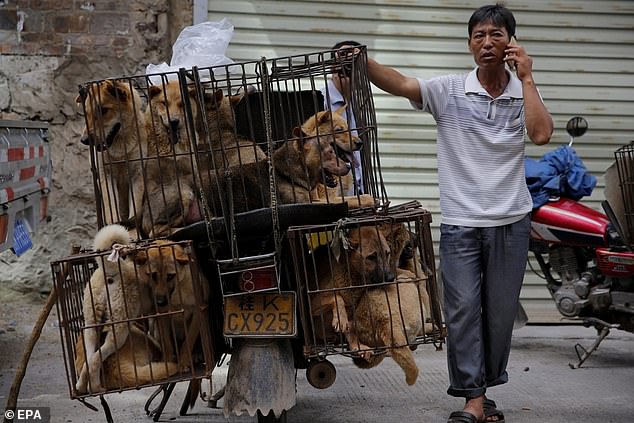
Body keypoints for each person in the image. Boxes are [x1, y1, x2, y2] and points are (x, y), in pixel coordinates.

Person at [362, 3, 553, 423]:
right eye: (479, 35)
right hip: (462, 223)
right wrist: (364, 60)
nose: (487, 42)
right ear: (469, 44)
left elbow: (541, 134)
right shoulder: (449, 90)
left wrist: (527, 77)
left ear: (511, 43)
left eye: (496, 35)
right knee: (463, 308)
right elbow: (401, 83)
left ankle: (482, 393)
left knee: (500, 313)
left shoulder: (524, 92)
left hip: (511, 222)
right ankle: (472, 399)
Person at [321, 40, 364, 195]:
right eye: (343, 58)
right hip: (334, 193)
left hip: (359, 191)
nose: (348, 67)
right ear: (333, 66)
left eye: (353, 62)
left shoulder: (361, 105)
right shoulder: (320, 101)